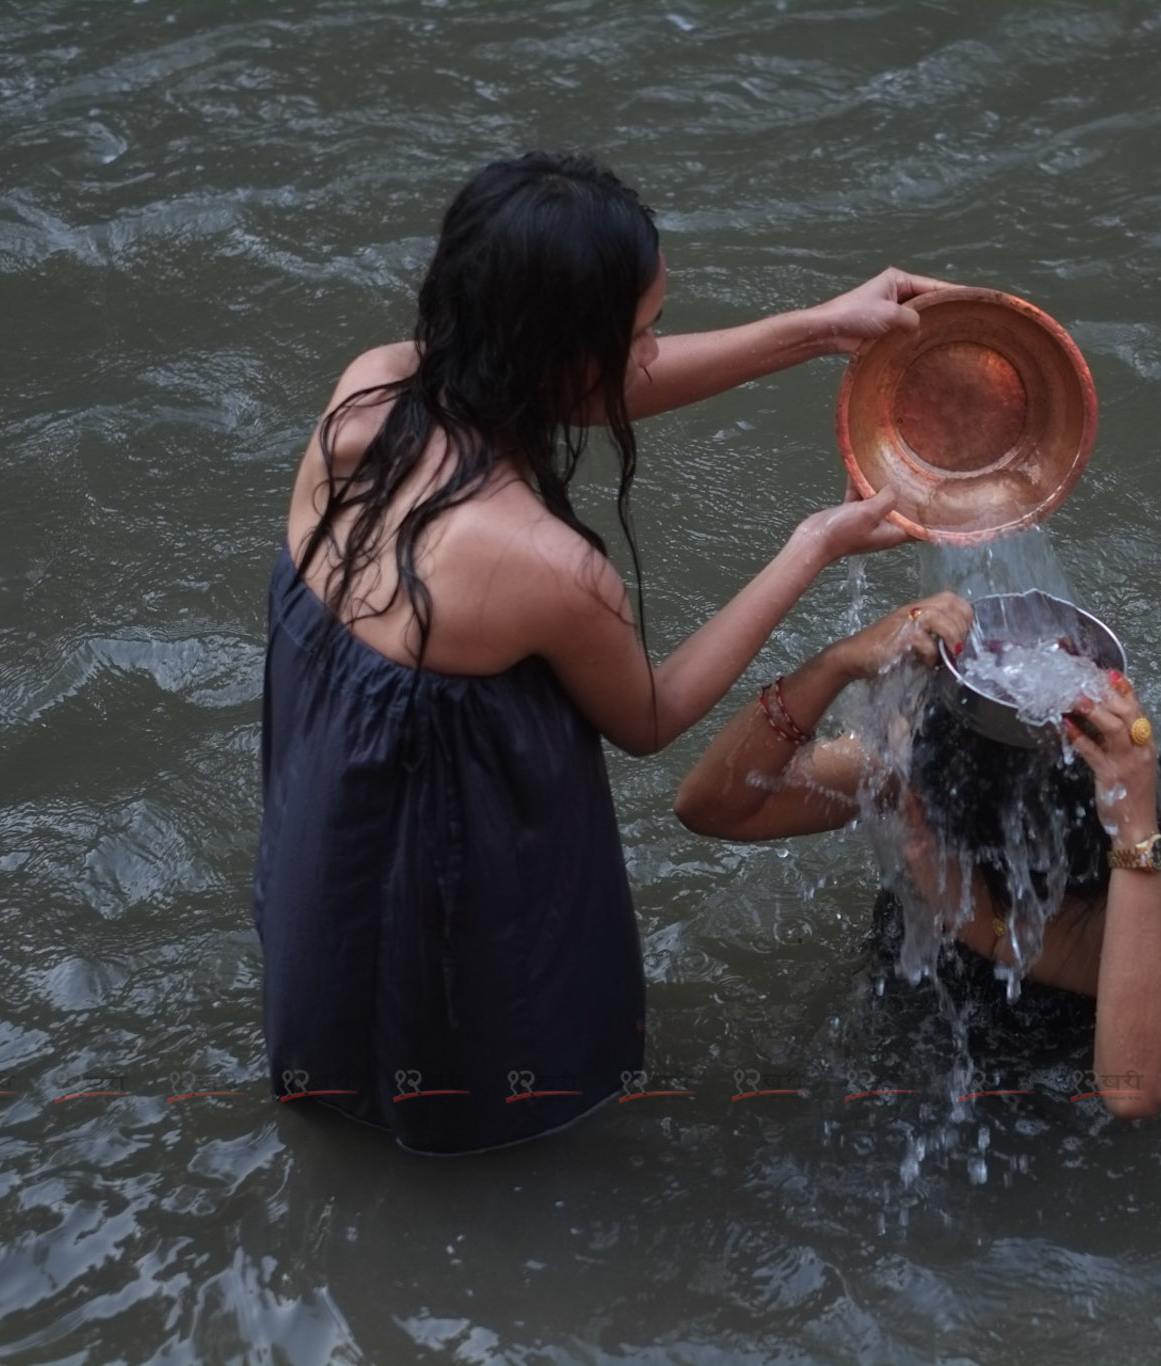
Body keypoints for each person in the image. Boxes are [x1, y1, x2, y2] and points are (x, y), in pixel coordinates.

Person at [253, 150, 948, 1154]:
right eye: (645, 331)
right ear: (569, 356)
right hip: (455, 859)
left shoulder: (368, 395)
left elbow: (575, 389)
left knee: (355, 1035)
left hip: (332, 823)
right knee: (497, 1085)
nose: (655, 347)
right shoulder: (542, 566)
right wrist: (811, 546)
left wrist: (817, 332)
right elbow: (650, 717)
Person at [673, 593, 1161, 1119]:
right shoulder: (913, 769)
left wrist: (1133, 831)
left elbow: (1135, 1093)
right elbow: (713, 806)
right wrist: (838, 663)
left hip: (1053, 1113)